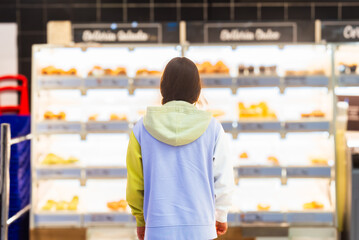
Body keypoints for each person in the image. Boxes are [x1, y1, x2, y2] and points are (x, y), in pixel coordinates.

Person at [126, 57, 234, 240]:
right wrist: (220, 215)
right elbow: (223, 179)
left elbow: (135, 185)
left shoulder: (141, 129)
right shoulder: (213, 128)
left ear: (163, 86)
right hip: (201, 228)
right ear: (197, 90)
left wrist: (141, 220)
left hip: (157, 227)